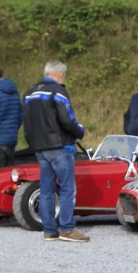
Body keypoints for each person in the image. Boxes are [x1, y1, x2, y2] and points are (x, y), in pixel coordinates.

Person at [22, 59, 89, 242]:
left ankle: (49, 230)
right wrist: (80, 132)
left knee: (46, 190)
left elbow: (26, 123)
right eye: (63, 75)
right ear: (59, 74)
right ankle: (67, 229)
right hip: (60, 147)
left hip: (40, 148)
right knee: (67, 189)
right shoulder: (58, 91)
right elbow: (67, 119)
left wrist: (33, 143)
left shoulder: (29, 94)